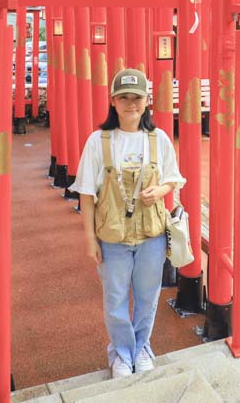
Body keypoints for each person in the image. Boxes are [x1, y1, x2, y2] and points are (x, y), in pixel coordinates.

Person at [70, 68, 186, 379]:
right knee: (115, 300)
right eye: (124, 97)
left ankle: (142, 347)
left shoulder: (159, 139)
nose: (131, 103)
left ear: (147, 101)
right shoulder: (98, 141)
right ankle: (121, 352)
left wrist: (159, 191)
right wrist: (90, 239)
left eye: (137, 97)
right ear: (113, 101)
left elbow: (173, 178)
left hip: (151, 235)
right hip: (112, 237)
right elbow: (86, 194)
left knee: (148, 297)